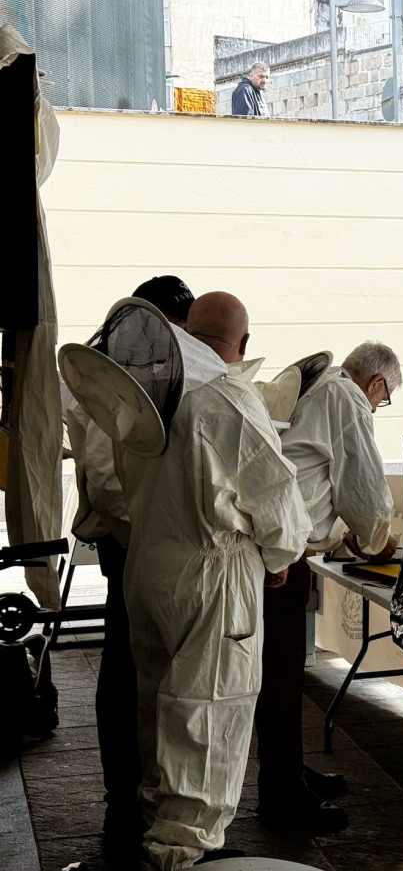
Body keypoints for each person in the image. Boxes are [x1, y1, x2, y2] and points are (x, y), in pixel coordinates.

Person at [125, 291, 311, 868]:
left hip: (150, 563)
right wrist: (279, 560)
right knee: (209, 711)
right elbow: (278, 502)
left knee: (159, 704)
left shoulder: (150, 391)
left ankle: (156, 822)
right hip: (214, 574)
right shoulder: (228, 396)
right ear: (244, 345)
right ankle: (183, 853)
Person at [62, 277, 194, 866]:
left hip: (144, 541)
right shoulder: (103, 382)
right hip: (127, 543)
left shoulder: (126, 367)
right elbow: (110, 480)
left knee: (146, 669)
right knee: (127, 671)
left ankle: (144, 796)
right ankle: (125, 804)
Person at [256, 342, 401, 835]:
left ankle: (290, 772)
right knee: (278, 677)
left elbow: (320, 474)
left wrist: (349, 536)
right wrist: (377, 538)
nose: (379, 407)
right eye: (385, 400)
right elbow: (361, 484)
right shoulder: (348, 398)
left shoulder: (324, 389)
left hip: (282, 543)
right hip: (284, 551)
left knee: (283, 674)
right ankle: (281, 797)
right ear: (377, 384)